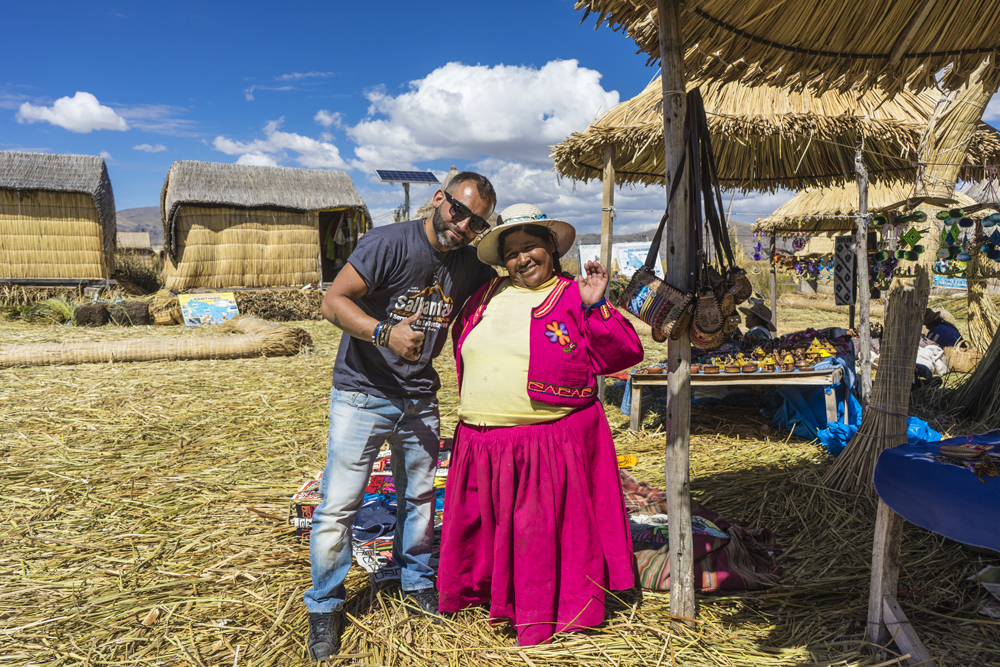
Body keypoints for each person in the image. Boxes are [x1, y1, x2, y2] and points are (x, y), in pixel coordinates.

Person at [304, 172, 499, 662]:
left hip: (420, 399)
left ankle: (414, 582)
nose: (463, 225)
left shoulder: (470, 264)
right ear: (439, 200)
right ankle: (325, 605)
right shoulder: (388, 243)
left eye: (476, 222)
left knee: (418, 498)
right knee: (339, 507)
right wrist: (384, 331)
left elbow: (510, 287)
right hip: (361, 394)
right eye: (459, 210)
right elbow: (333, 301)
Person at [437, 203, 644, 646]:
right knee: (491, 528)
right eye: (512, 253)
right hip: (482, 442)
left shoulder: (574, 294)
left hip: (545, 442)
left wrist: (596, 307)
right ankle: (493, 600)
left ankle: (544, 613)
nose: (521, 259)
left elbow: (624, 355)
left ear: (551, 249)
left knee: (536, 532)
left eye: (530, 247)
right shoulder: (484, 295)